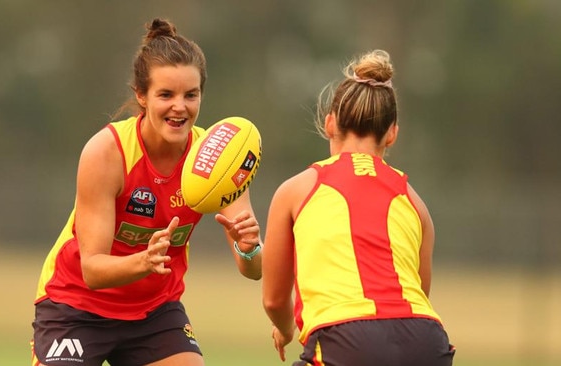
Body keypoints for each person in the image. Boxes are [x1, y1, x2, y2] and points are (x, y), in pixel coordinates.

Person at [31, 18, 262, 366]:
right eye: (166, 95)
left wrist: (248, 249)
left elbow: (254, 270)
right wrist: (144, 261)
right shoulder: (107, 153)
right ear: (141, 95)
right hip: (75, 306)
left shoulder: (216, 160)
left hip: (154, 314)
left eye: (191, 95)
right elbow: (92, 270)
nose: (179, 107)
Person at [261, 49, 455, 366]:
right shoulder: (415, 203)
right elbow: (416, 295)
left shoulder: (296, 190)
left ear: (329, 123)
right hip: (426, 339)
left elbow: (273, 299)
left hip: (348, 337)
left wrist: (283, 330)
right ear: (392, 134)